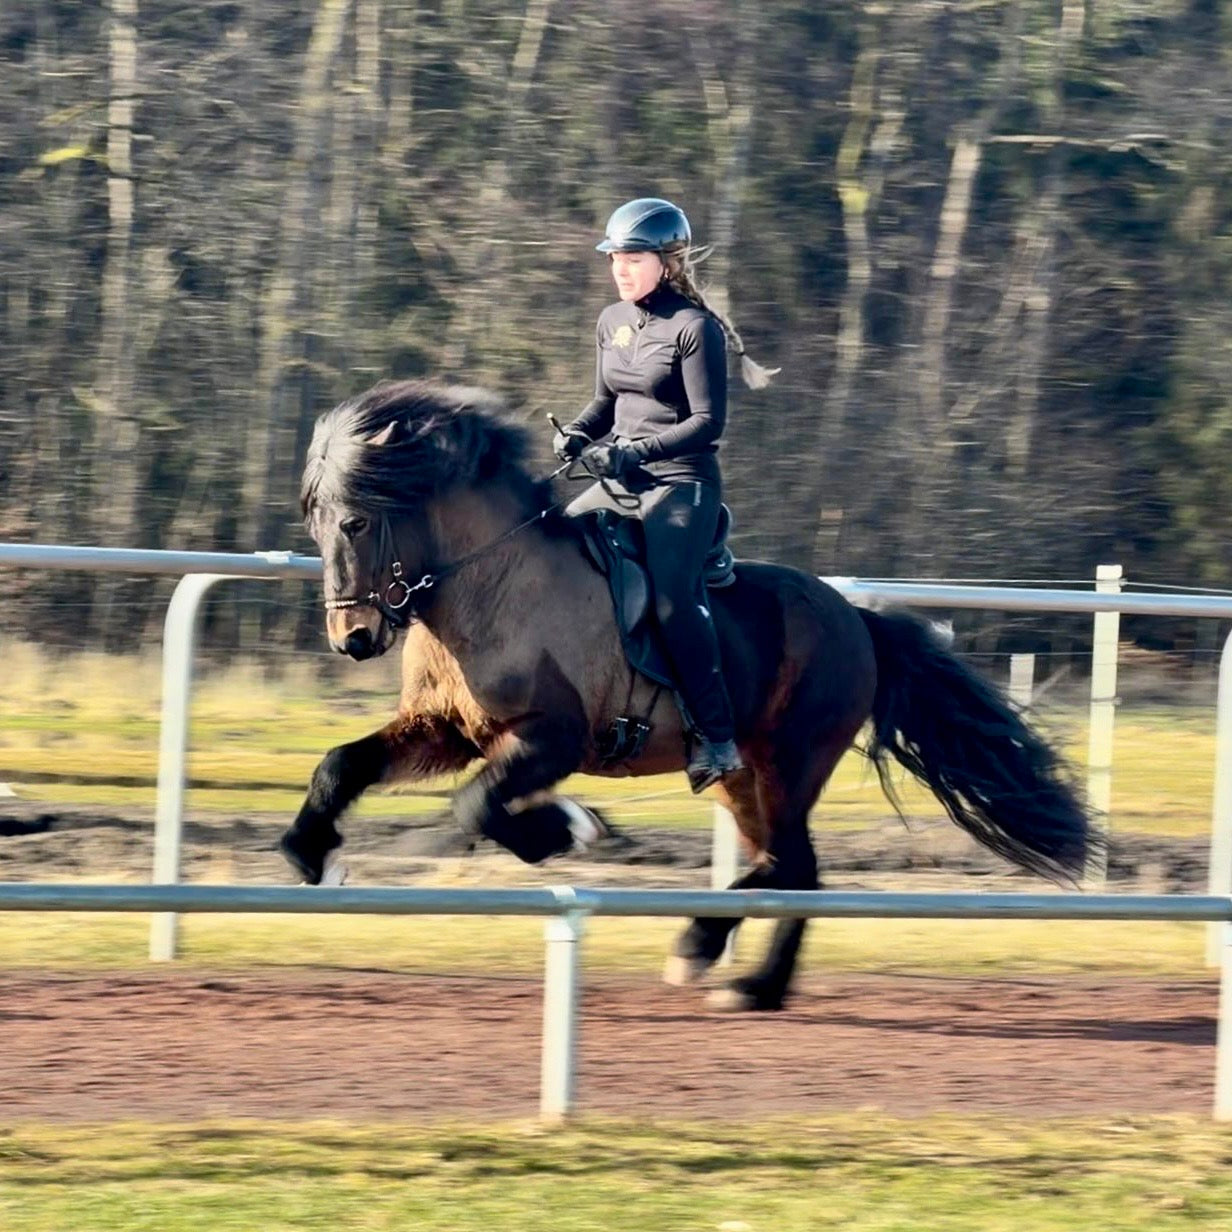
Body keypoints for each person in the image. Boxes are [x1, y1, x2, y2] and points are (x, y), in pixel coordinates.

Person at [553, 197, 778, 793]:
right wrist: (578, 433)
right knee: (552, 555)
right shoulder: (611, 321)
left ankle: (716, 735)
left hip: (681, 485)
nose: (620, 269)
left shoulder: (693, 328)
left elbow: (707, 424)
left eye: (632, 258)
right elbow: (606, 405)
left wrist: (632, 452)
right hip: (619, 481)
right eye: (614, 259)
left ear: (668, 262)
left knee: (673, 600)